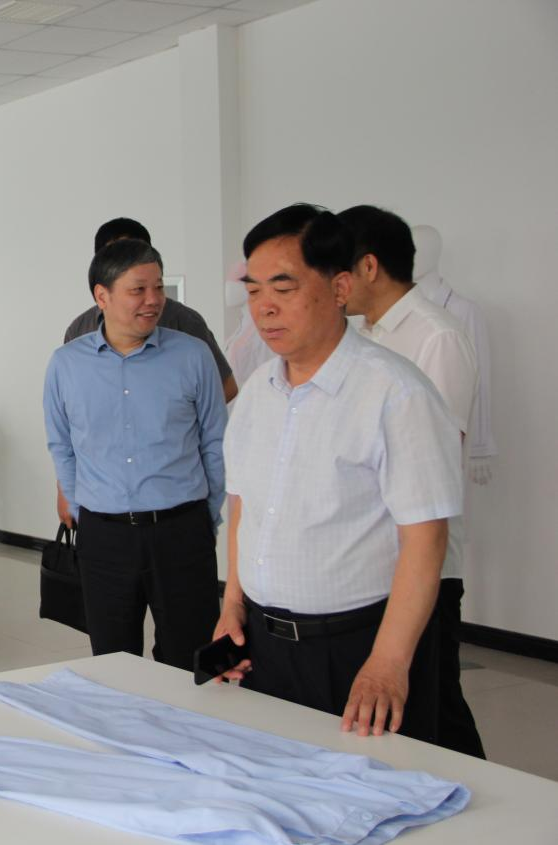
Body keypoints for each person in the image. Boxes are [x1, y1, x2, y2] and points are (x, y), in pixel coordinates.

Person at [214, 204, 463, 742]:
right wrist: (232, 605)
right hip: (264, 644)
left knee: (373, 786)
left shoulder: (396, 393)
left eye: (284, 287)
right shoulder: (256, 393)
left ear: (340, 287)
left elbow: (426, 538)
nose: (264, 308)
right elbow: (243, 507)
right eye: (254, 291)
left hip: (358, 644)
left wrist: (388, 663)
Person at [340, 204, 484, 758]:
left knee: (436, 703)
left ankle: (484, 799)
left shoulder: (436, 336)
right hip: (372, 559)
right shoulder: (365, 335)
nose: (332, 283)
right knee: (404, 711)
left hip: (423, 563)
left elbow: (436, 456)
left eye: (339, 268)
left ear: (369, 266)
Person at [44, 238, 227, 669]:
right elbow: (61, 445)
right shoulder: (66, 364)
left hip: (182, 531)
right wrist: (83, 510)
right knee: (113, 663)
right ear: (102, 296)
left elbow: (215, 442)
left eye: (158, 287)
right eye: (138, 290)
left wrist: (206, 517)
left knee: (190, 660)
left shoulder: (193, 355)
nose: (153, 300)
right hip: (104, 538)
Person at [57, 217, 236, 529]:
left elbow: (225, 390)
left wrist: (171, 421)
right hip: (105, 510)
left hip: (174, 500)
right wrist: (65, 491)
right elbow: (67, 431)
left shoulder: (184, 325)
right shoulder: (78, 334)